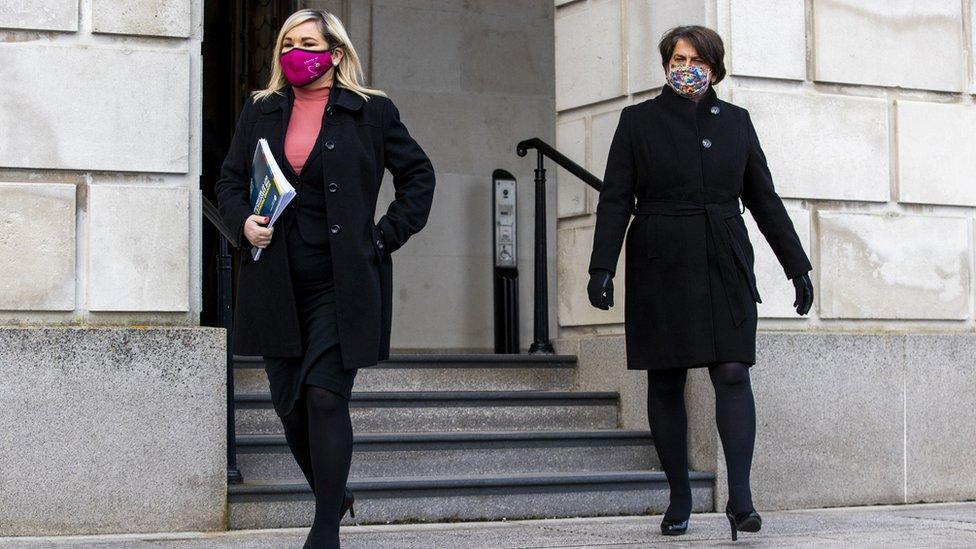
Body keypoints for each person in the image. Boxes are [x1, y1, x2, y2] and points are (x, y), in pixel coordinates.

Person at [214, 9, 435, 548]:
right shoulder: (261, 110)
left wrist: (382, 238)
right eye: (287, 43)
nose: (294, 51)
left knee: (324, 397)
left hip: (344, 282)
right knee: (289, 406)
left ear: (335, 53)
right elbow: (229, 180)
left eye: (307, 42)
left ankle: (324, 529)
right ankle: (334, 495)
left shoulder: (371, 111)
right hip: (277, 280)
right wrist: (244, 223)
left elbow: (418, 177)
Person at [586, 25, 813, 542]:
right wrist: (603, 266)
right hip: (660, 258)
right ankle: (680, 496)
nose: (684, 66)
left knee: (732, 370)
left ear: (714, 66)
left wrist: (796, 265)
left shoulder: (736, 122)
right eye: (676, 57)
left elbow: (764, 199)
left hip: (723, 257)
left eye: (695, 58)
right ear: (666, 63)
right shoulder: (637, 121)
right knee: (666, 379)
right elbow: (616, 199)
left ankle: (742, 500)